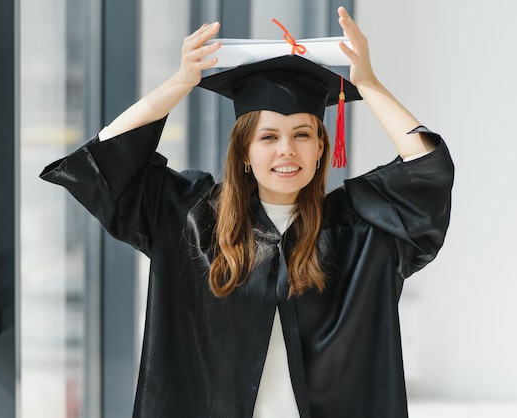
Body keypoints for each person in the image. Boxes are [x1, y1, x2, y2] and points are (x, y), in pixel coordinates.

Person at [41, 7, 454, 418]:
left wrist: (370, 83)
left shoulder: (361, 229)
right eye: (268, 137)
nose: (286, 150)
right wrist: (180, 82)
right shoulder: (191, 219)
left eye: (302, 135)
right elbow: (109, 160)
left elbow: (427, 173)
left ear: (320, 150)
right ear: (244, 153)